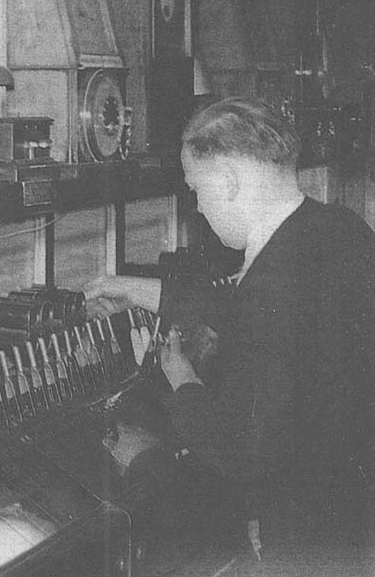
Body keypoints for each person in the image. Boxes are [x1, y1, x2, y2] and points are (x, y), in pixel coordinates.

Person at [85, 97, 375, 573]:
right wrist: (139, 291)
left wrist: (181, 384)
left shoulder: (270, 283)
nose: (197, 207)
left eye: (196, 189)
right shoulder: (341, 230)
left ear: (229, 181)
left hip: (308, 542)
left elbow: (242, 450)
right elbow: (264, 312)